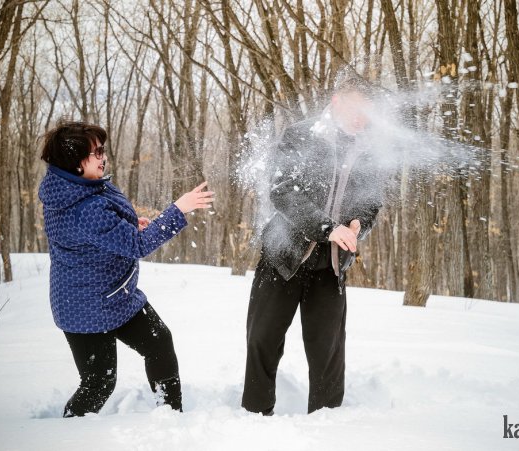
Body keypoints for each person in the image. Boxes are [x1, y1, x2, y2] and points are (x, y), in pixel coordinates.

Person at [38, 120, 214, 417]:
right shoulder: (84, 207)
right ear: (75, 162)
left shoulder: (76, 188)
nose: (103, 156)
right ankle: (63, 434)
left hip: (115, 295)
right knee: (99, 382)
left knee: (159, 342)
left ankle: (171, 415)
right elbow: (136, 246)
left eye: (102, 149)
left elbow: (105, 233)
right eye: (96, 152)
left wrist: (129, 224)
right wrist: (178, 209)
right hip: (84, 308)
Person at [241, 75, 384, 415]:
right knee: (263, 339)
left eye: (368, 111)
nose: (361, 117)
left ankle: (326, 421)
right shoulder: (301, 135)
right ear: (336, 102)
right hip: (284, 256)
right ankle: (254, 415)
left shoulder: (369, 151)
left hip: (331, 266)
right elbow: (283, 191)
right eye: (355, 108)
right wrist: (327, 228)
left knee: (329, 349)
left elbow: (371, 204)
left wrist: (356, 226)